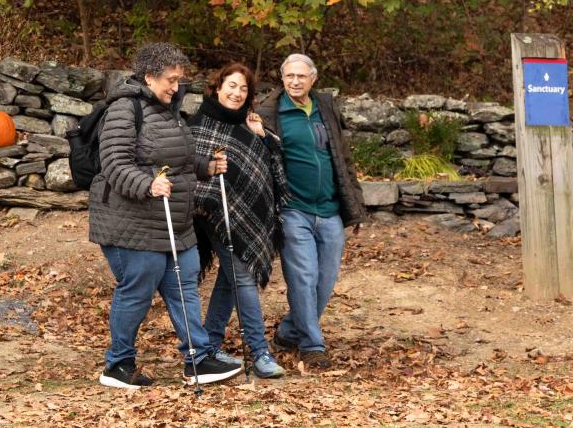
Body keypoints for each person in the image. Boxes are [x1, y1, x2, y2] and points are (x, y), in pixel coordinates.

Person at [88, 42, 243, 389]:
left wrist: (206, 166)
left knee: (185, 287)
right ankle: (118, 364)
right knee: (137, 291)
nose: (176, 87)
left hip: (175, 222)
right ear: (149, 77)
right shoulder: (124, 109)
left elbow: (179, 161)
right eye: (171, 80)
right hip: (132, 224)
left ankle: (198, 359)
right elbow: (114, 164)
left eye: (179, 80)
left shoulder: (167, 110)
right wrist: (148, 184)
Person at [253, 53, 367, 369]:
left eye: (301, 76)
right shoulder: (268, 113)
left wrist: (355, 206)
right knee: (303, 278)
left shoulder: (325, 107)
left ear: (313, 78)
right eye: (289, 76)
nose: (295, 81)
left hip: (329, 210)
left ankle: (289, 332)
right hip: (293, 210)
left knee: (324, 281)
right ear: (282, 78)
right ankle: (312, 346)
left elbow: (342, 159)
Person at [189, 63, 288, 379]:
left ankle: (210, 343)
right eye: (231, 86)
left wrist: (262, 135)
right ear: (218, 87)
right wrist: (206, 197)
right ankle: (260, 353)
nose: (237, 93)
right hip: (213, 214)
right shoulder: (199, 122)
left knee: (230, 277)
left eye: (243, 89)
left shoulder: (250, 123)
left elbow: (272, 161)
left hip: (247, 215)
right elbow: (191, 169)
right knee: (243, 275)